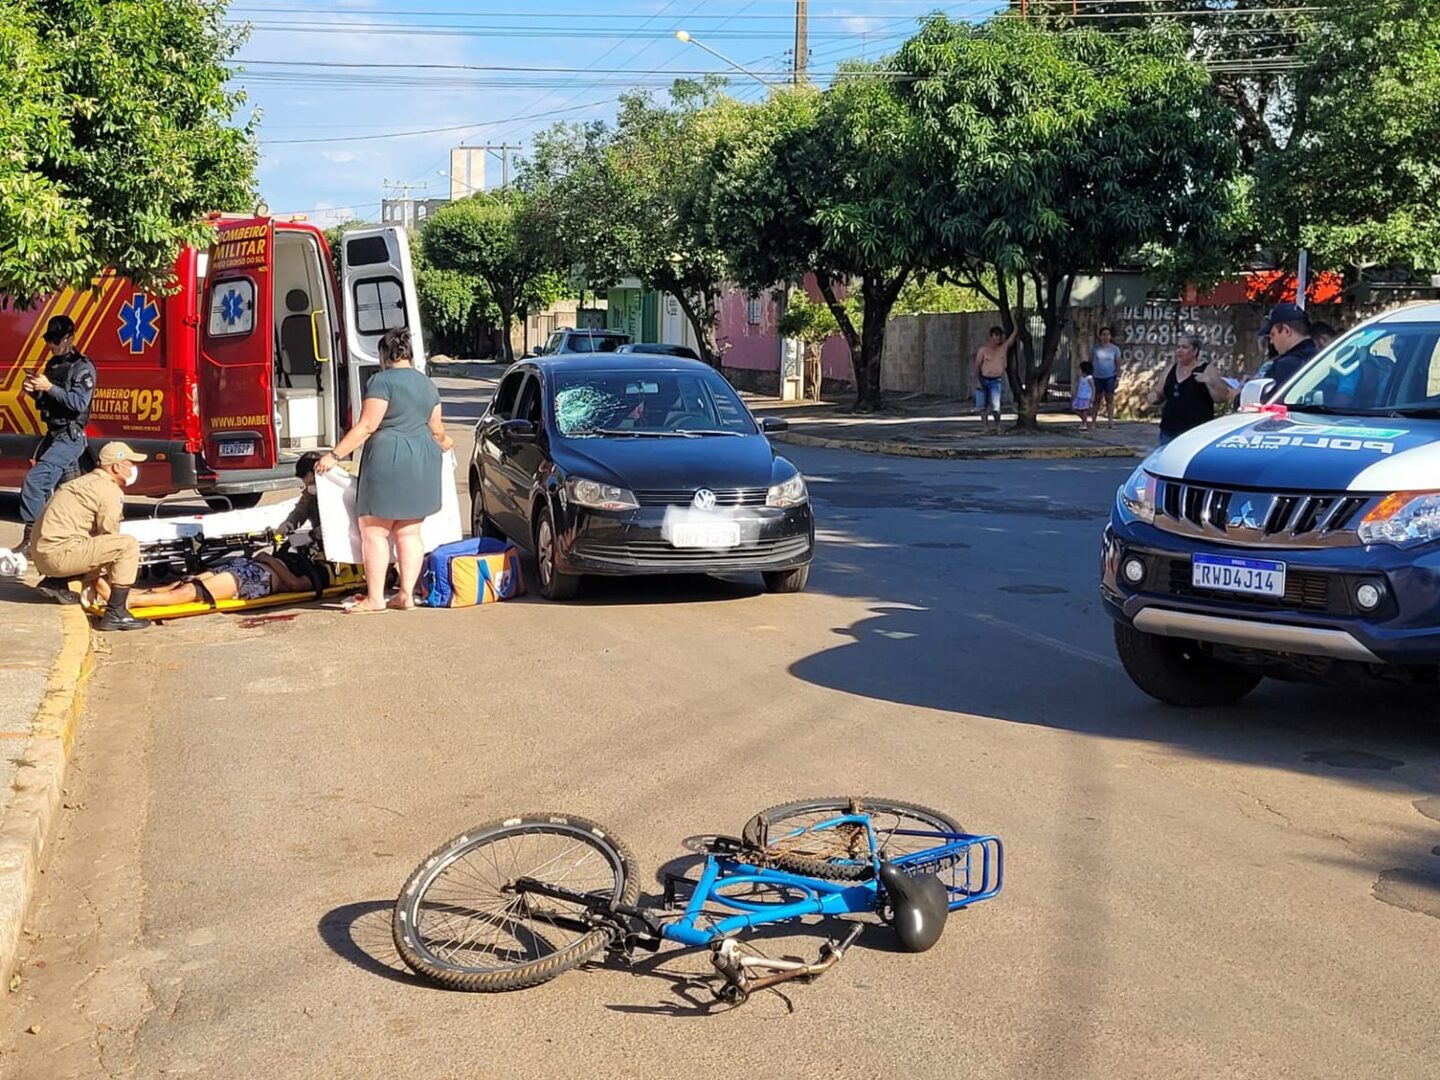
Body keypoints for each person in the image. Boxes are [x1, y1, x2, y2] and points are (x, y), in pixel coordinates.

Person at [313, 328, 453, 613]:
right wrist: (445, 443)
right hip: (423, 461)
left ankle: (376, 598)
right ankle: (405, 594)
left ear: (384, 355)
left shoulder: (381, 381)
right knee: (409, 532)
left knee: (375, 531)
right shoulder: (427, 384)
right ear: (409, 355)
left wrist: (334, 455)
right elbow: (437, 429)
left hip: (390, 459)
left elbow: (367, 426)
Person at [29, 442, 148, 631]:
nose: (133, 468)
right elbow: (109, 536)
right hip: (59, 556)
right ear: (116, 467)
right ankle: (116, 613)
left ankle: (55, 582)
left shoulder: (83, 481)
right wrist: (103, 581)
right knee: (127, 545)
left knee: (88, 539)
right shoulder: (108, 489)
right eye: (129, 463)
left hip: (44, 556)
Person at [18, 316, 98, 554]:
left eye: (56, 340)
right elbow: (49, 402)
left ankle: (34, 541)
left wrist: (49, 388)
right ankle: (75, 542)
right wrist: (35, 392)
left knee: (35, 483)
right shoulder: (53, 365)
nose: (51, 345)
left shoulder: (82, 367)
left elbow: (78, 403)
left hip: (69, 436)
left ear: (69, 338)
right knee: (69, 495)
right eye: (49, 340)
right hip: (53, 433)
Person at [91, 549, 314, 609]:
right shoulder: (308, 552)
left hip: (257, 577)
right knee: (182, 583)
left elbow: (295, 584)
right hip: (247, 567)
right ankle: (124, 593)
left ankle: (124, 601)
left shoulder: (321, 572)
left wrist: (270, 560)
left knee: (191, 592)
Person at [1148, 334, 1237, 445]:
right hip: (1169, 431)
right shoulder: (1170, 369)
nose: (1179, 350)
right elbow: (1158, 391)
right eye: (1178, 347)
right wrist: (1153, 396)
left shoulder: (1207, 370)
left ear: (1195, 351)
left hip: (1197, 432)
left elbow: (1221, 398)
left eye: (1184, 347)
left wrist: (1209, 382)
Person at [1259, 302, 1320, 393]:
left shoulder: (1284, 366)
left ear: (1286, 331)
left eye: (1273, 334)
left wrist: (1238, 397)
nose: (1271, 341)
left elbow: (1264, 401)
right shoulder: (1323, 359)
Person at [974, 322, 1018, 435]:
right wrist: (977, 381)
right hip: (983, 379)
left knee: (995, 406)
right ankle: (985, 427)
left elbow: (1012, 337)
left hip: (995, 381)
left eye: (999, 338)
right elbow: (977, 366)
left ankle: (997, 425)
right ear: (991, 337)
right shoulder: (983, 350)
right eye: (995, 338)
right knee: (982, 406)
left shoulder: (1003, 348)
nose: (997, 341)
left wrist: (1017, 325)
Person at [277, 450, 325, 553]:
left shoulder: (337, 494)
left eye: (312, 483)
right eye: (306, 484)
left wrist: (311, 536)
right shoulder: (311, 494)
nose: (309, 487)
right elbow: (302, 508)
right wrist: (289, 523)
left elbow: (336, 525)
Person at [1090, 326, 1120, 429]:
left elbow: (1117, 364)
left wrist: (1117, 378)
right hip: (1097, 377)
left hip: (1110, 377)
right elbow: (1091, 362)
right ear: (1100, 336)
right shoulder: (1095, 349)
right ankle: (1093, 421)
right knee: (1096, 399)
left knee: (1109, 399)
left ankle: (1111, 422)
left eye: (1108, 334)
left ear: (1110, 336)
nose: (1105, 337)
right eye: (1103, 334)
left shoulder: (1115, 349)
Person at [1072, 361, 1097, 432]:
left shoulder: (1089, 378)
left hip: (1086, 397)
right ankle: (1084, 420)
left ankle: (1084, 424)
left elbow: (1093, 388)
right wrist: (1076, 394)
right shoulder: (1081, 377)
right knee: (1075, 408)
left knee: (1084, 411)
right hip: (1080, 396)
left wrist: (1092, 397)